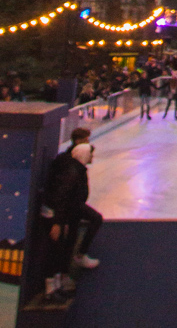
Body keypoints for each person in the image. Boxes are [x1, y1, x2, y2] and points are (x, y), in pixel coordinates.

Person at [39, 128, 102, 304]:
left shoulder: (76, 168)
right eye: (90, 153)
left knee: (60, 249)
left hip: (62, 214)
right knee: (55, 250)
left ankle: (57, 285)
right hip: (54, 216)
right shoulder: (72, 172)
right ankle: (50, 289)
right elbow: (60, 196)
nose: (92, 157)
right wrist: (57, 223)